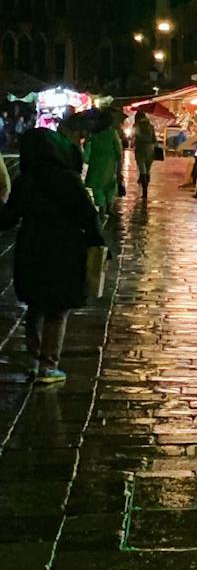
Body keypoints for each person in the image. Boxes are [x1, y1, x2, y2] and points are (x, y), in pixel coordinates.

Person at [0, 125, 106, 382]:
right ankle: (49, 365)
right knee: (57, 309)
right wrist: (99, 245)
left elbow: (7, 218)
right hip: (65, 251)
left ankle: (34, 362)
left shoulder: (27, 181)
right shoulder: (68, 179)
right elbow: (88, 217)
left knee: (35, 306)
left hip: (31, 250)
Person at [84, 108, 125, 219]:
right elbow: (118, 150)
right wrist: (119, 166)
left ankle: (101, 208)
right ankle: (108, 207)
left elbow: (87, 147)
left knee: (97, 187)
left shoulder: (93, 133)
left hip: (95, 163)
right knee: (109, 186)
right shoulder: (112, 133)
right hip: (109, 164)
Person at [132, 112, 158, 201]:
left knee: (142, 169)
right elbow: (154, 139)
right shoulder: (150, 126)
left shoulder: (136, 125)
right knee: (147, 169)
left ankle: (145, 192)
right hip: (150, 148)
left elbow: (133, 136)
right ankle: (146, 180)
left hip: (140, 148)